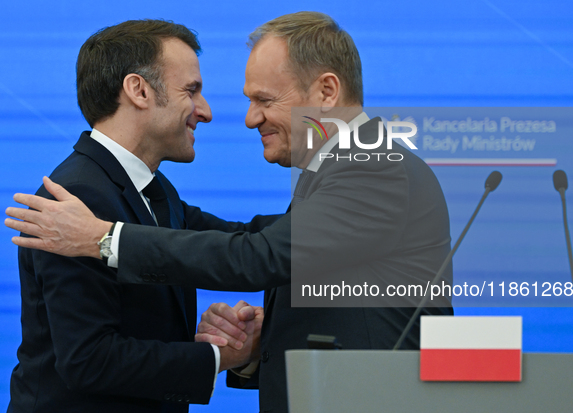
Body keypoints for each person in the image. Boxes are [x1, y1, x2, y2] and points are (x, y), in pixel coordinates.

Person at [5, 12, 453, 413]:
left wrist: (104, 239)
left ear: (327, 91)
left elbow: (258, 256)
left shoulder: (369, 168)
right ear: (138, 90)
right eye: (193, 90)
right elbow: (251, 242)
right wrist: (257, 343)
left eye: (264, 99)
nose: (247, 118)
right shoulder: (88, 195)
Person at [5, 19, 263, 413]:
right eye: (191, 91)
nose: (205, 112)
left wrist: (345, 222)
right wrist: (221, 356)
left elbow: (243, 242)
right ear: (139, 90)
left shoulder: (154, 190)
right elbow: (90, 360)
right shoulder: (78, 199)